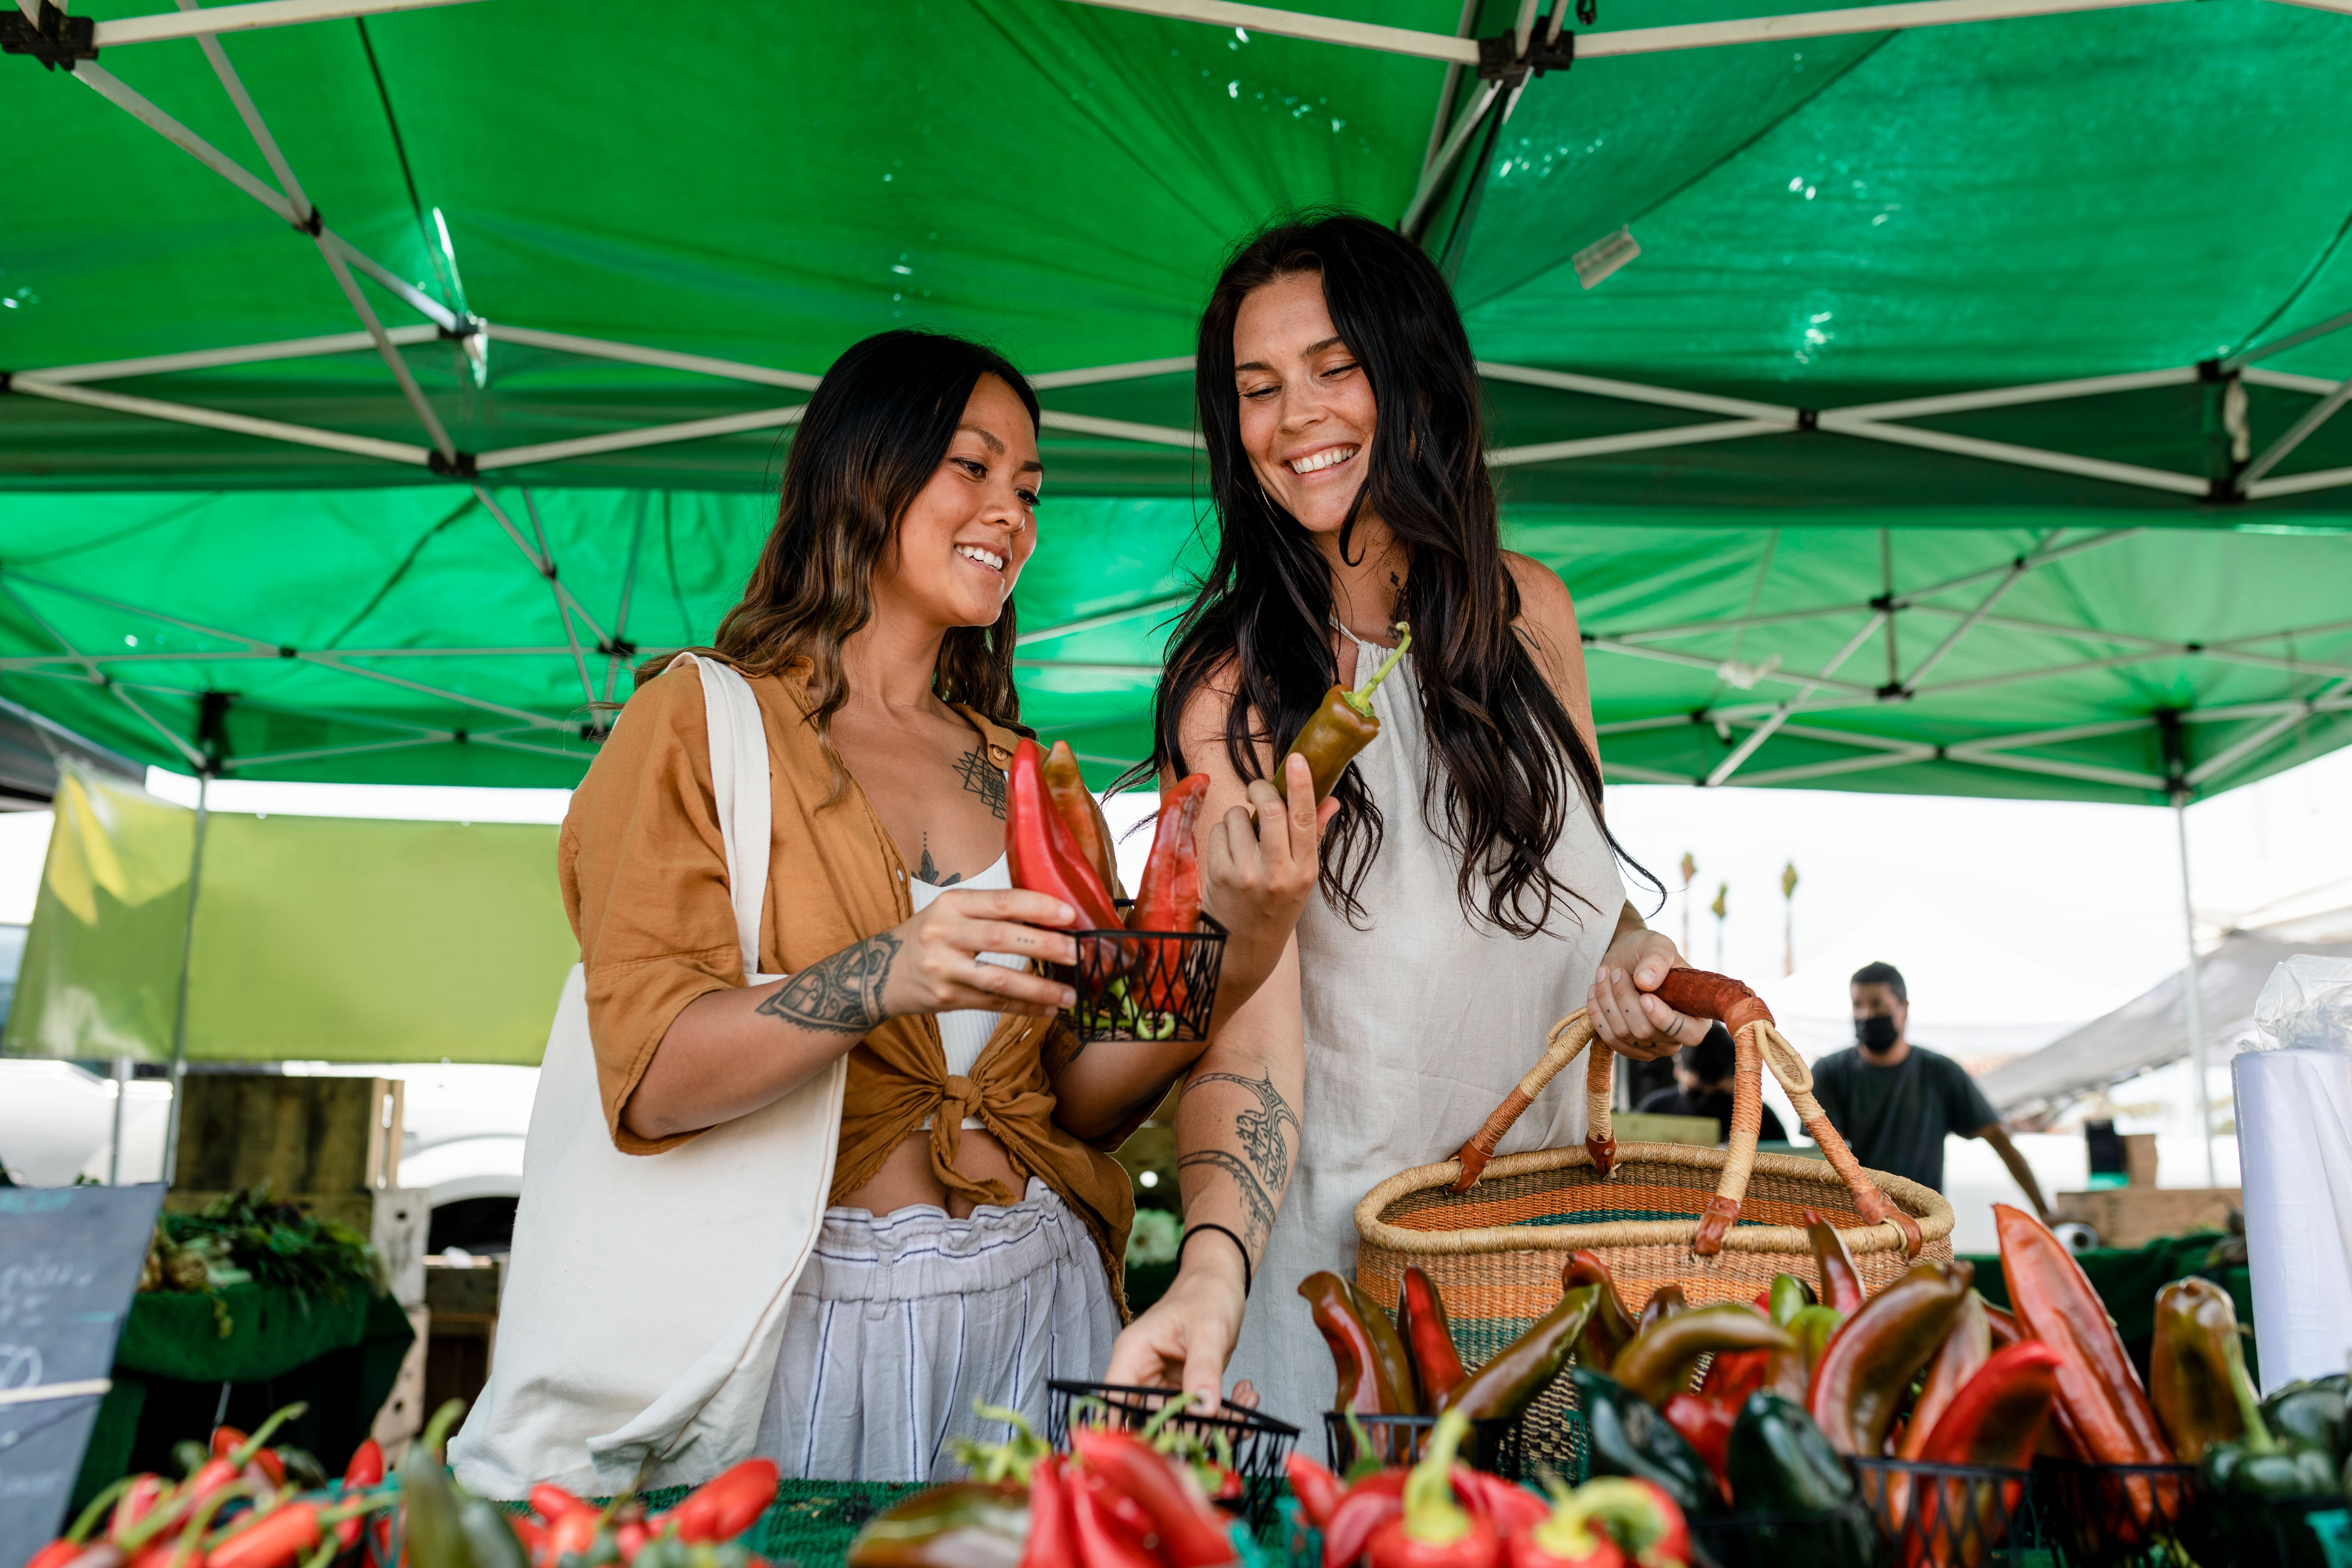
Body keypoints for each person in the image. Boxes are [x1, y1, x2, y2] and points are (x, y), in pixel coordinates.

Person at [527, 330, 1321, 1482]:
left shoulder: (1031, 779)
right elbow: (651, 1072)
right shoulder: (702, 727)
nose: (1012, 511)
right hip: (802, 1328)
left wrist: (1236, 947)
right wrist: (888, 973)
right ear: (865, 469)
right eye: (974, 467)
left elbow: (1080, 1102)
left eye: (1030, 488)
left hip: (1041, 1308)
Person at [1097, 213, 1704, 1421]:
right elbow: (1248, 1036)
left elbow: (1583, 888)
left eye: (1335, 367)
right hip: (1349, 1294)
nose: (1296, 417)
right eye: (1257, 390)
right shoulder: (1236, 692)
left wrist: (1634, 957)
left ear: (1415, 374)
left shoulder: (1532, 613)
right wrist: (1210, 1266)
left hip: (1549, 1273)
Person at [1814, 961, 2050, 1216]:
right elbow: (1823, 1158)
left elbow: (1999, 1140)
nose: (1866, 1015)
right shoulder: (1829, 1073)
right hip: (1856, 1231)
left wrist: (2045, 1212)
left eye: (1877, 1005)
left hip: (1925, 1229)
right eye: (1858, 1006)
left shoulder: (1941, 1073)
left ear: (1903, 1008)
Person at [1636, 1023, 1789, 1145]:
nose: (1707, 1102)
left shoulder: (1759, 1118)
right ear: (1678, 1069)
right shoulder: (1655, 1111)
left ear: (1739, 1076)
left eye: (1720, 1095)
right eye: (1696, 1092)